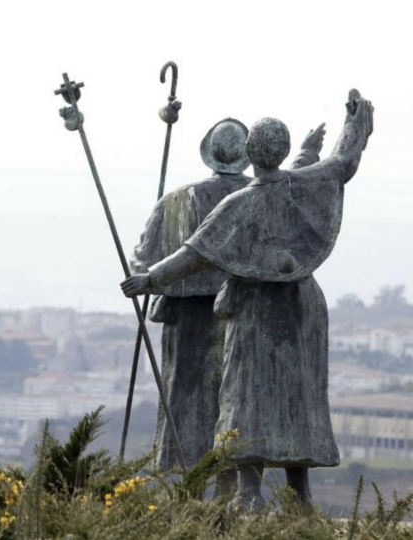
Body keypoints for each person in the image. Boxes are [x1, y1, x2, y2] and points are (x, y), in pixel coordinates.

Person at [122, 91, 374, 510]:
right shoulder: (306, 183)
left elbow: (192, 255)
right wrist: (355, 123)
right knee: (300, 397)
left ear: (249, 156)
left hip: (257, 308)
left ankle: (248, 494)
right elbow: (343, 162)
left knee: (248, 395)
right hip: (302, 305)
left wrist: (149, 278)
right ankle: (299, 496)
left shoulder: (238, 204)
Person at [133, 119, 325, 493]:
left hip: (189, 321)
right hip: (248, 313)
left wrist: (150, 280)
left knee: (192, 409)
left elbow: (144, 261)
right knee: (242, 406)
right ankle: (239, 492)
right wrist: (309, 150)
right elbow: (301, 176)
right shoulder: (269, 194)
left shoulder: (177, 199)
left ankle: (196, 496)